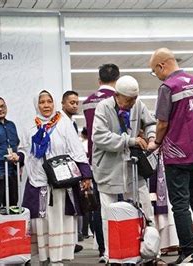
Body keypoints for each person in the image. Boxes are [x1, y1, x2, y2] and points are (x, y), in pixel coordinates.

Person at [148, 48, 193, 265]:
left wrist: (156, 142)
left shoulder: (168, 87)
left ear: (161, 66)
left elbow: (162, 123)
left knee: (180, 204)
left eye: (154, 71)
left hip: (178, 154)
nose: (156, 75)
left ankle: (188, 253)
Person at [19, 90, 93, 265]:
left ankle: (57, 258)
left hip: (61, 182)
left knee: (58, 219)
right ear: (36, 105)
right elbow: (24, 149)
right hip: (38, 181)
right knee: (41, 220)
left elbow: (76, 149)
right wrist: (18, 157)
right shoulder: (30, 126)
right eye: (42, 102)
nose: (46, 105)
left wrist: (86, 175)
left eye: (49, 101)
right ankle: (43, 257)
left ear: (54, 103)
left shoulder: (63, 123)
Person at [92, 75, 156, 263]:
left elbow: (150, 123)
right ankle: (110, 253)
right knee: (108, 212)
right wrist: (130, 140)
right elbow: (99, 136)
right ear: (117, 95)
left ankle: (147, 251)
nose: (132, 103)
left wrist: (151, 137)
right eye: (128, 99)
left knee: (144, 207)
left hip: (132, 167)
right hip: (107, 168)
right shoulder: (103, 107)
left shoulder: (138, 104)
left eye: (135, 98)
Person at [82, 64, 119, 263]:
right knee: (121, 203)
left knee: (99, 206)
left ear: (99, 80)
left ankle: (103, 249)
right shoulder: (118, 100)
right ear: (118, 79)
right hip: (117, 158)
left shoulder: (88, 102)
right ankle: (121, 245)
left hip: (95, 159)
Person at [60, 90, 85, 253]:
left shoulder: (72, 123)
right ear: (63, 103)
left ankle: (71, 240)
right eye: (71, 102)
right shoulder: (60, 121)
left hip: (72, 168)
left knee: (73, 206)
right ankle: (65, 241)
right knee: (64, 207)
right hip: (61, 170)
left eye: (77, 102)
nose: (75, 105)